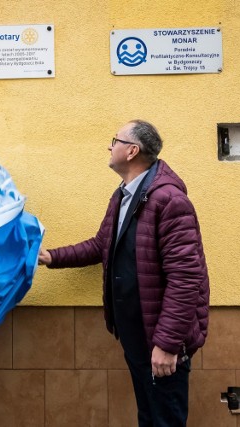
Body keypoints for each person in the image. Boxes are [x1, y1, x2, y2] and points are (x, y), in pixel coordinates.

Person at [38, 120, 209, 427]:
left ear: (132, 151)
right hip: (136, 336)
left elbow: (185, 279)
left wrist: (168, 345)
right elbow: (101, 245)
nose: (109, 146)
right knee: (148, 416)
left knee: (165, 420)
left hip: (159, 342)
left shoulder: (168, 200)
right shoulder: (124, 195)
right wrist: (51, 257)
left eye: (114, 140)